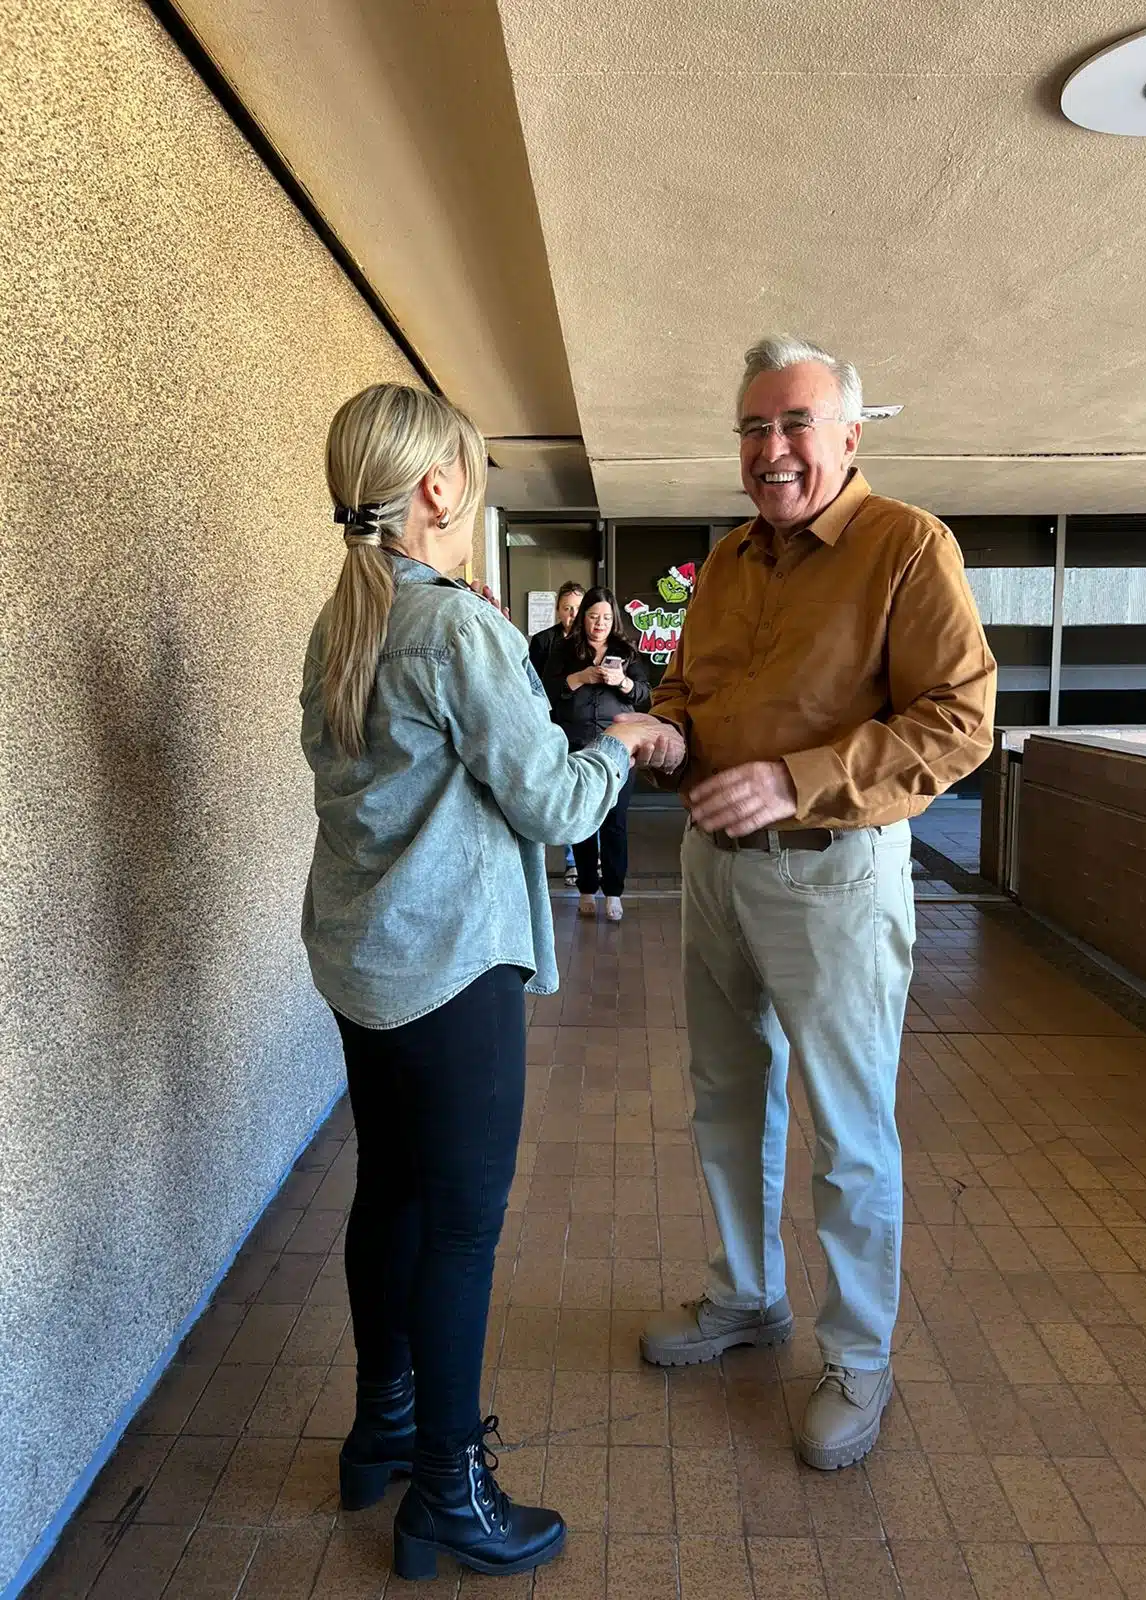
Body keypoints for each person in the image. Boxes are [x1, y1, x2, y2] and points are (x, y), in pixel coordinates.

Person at [299, 385, 662, 1580]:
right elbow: (553, 800)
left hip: (363, 965)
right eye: (473, 477)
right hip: (450, 967)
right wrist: (623, 742)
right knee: (459, 1227)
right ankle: (447, 1494)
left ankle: (385, 1427)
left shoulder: (343, 620)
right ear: (439, 492)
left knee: (390, 1192)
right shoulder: (456, 626)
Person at [625, 336, 996, 1473]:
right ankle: (746, 1297)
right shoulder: (727, 558)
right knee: (727, 1099)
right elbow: (692, 688)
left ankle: (861, 1356)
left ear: (848, 434)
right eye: (751, 428)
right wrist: (663, 729)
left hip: (834, 870)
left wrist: (795, 777)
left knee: (848, 1130)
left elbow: (959, 722)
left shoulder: (906, 545)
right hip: (714, 866)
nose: (770, 449)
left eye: (793, 424)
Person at [542, 586, 651, 922]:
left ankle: (614, 892)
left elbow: (645, 697)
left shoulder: (626, 651)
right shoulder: (563, 650)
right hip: (576, 747)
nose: (599, 623)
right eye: (592, 616)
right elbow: (544, 690)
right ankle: (587, 889)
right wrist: (579, 677)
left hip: (619, 746)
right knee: (583, 821)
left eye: (605, 617)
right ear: (583, 618)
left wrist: (623, 683)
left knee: (615, 823)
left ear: (613, 618)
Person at [529, 581, 585, 885]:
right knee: (565, 792)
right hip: (552, 727)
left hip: (584, 727)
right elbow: (532, 685)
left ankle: (591, 858)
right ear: (558, 610)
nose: (572, 615)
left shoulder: (593, 642)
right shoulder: (542, 642)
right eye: (567, 608)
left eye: (578, 608)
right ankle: (571, 860)